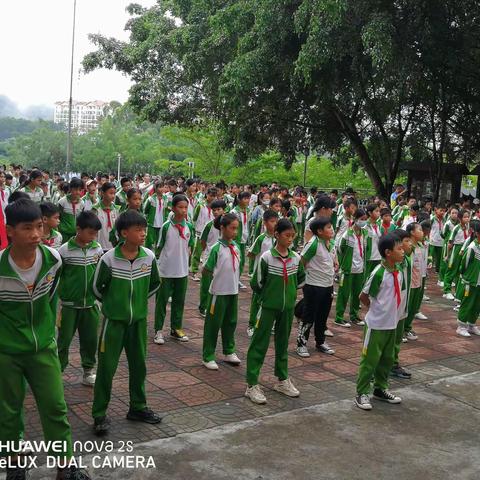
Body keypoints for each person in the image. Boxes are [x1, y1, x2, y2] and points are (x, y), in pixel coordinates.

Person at [0, 199, 88, 480]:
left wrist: (48, 333)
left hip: (43, 349)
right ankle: (14, 463)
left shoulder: (53, 260)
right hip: (6, 353)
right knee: (8, 410)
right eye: (28, 228)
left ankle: (65, 466)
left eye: (39, 226)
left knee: (54, 406)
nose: (36, 235)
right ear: (10, 230)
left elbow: (51, 299)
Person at [92, 210, 162, 435]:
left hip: (138, 323)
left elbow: (154, 284)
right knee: (106, 368)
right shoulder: (109, 258)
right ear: (124, 233)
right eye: (138, 230)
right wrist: (113, 306)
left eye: (144, 229)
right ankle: (99, 414)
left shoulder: (148, 257)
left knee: (139, 365)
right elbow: (97, 288)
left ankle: (138, 407)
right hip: (114, 324)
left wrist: (138, 305)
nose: (143, 233)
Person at [245, 219, 305, 404]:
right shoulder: (267, 258)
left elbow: (301, 280)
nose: (290, 239)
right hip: (268, 308)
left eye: (293, 236)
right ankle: (252, 384)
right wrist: (269, 298)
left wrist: (290, 296)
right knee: (259, 343)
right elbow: (257, 283)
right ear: (277, 235)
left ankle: (282, 379)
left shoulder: (295, 258)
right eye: (287, 235)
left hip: (287, 309)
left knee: (282, 343)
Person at [354, 233, 405, 410]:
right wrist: (376, 310)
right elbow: (363, 296)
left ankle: (380, 388)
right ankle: (361, 392)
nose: (403, 251)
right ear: (388, 252)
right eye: (399, 248)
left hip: (392, 323)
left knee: (387, 359)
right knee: (370, 359)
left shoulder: (398, 272)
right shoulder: (379, 273)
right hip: (376, 325)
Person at [57, 211, 103, 385]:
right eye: (90, 233)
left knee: (90, 340)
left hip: (91, 305)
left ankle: (88, 371)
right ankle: (57, 371)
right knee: (63, 340)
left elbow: (99, 273)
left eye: (95, 234)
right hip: (69, 305)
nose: (93, 237)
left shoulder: (96, 248)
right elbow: (58, 276)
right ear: (78, 229)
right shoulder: (64, 251)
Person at [201, 213, 242, 370]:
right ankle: (208, 355)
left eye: (236, 229)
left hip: (232, 291)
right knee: (213, 324)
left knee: (230, 322)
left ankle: (229, 350)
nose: (235, 232)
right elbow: (207, 269)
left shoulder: (236, 247)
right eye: (232, 228)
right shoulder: (216, 248)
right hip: (218, 293)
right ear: (222, 228)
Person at [154, 194, 195, 344]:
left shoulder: (189, 227)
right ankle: (158, 329)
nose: (183, 210)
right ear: (173, 208)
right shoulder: (166, 227)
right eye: (180, 207)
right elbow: (159, 247)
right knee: (162, 300)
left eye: (185, 207)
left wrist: (188, 265)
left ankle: (176, 327)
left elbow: (190, 246)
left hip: (182, 270)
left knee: (179, 300)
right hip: (166, 270)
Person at [296, 217, 336, 358]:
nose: (332, 229)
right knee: (309, 316)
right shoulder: (313, 244)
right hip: (314, 286)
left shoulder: (329, 243)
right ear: (319, 231)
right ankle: (301, 344)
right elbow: (302, 261)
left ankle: (320, 342)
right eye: (328, 227)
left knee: (323, 316)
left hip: (327, 285)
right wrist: (307, 276)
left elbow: (330, 259)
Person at [246, 209, 278, 337]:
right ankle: (252, 325)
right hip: (260, 275)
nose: (274, 224)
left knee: (271, 300)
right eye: (272, 221)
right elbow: (251, 254)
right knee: (256, 301)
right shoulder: (261, 238)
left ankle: (270, 324)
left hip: (274, 275)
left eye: (276, 221)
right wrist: (256, 268)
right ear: (265, 222)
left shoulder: (279, 238)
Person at [335, 209, 368, 328]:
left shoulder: (364, 234)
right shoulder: (347, 235)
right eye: (361, 219)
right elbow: (340, 249)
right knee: (344, 294)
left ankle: (354, 316)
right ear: (355, 219)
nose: (363, 222)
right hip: (347, 269)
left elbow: (364, 251)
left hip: (359, 269)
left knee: (357, 294)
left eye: (365, 219)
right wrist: (343, 264)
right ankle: (339, 317)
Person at [390, 229, 413, 379]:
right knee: (388, 337)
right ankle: (384, 364)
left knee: (398, 336)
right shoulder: (391, 265)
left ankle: (393, 363)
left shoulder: (407, 261)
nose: (410, 244)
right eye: (406, 241)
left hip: (403, 303)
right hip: (392, 307)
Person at [198, 199, 226, 317]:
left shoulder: (227, 225)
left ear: (224, 210)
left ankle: (216, 306)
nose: (216, 212)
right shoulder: (209, 225)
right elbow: (203, 241)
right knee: (206, 284)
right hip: (209, 256)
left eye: (218, 209)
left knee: (220, 283)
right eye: (214, 210)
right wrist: (206, 252)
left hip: (222, 258)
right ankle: (203, 306)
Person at [402, 222, 426, 341]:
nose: (422, 232)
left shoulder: (421, 246)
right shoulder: (408, 248)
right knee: (405, 308)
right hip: (409, 282)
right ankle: (400, 330)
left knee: (413, 307)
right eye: (420, 230)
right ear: (412, 232)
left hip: (418, 281)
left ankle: (407, 328)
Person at [456, 221, 480, 337]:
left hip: (479, 282)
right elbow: (464, 264)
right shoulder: (472, 247)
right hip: (470, 281)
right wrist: (466, 277)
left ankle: (471, 324)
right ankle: (461, 326)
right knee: (467, 303)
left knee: (477, 304)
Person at [191, 187, 217, 281]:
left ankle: (209, 271)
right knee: (197, 252)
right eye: (211, 195)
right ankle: (194, 271)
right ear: (207, 195)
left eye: (214, 196)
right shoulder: (200, 206)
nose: (212, 198)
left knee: (210, 251)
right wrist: (195, 229)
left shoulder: (216, 208)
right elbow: (194, 218)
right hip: (200, 231)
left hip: (212, 232)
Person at [443, 209, 470, 300]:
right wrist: (448, 255)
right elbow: (450, 243)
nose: (467, 219)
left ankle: (457, 292)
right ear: (460, 218)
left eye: (468, 217)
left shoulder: (468, 228)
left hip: (464, 249)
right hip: (456, 249)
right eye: (465, 217)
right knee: (452, 270)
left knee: (460, 271)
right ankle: (447, 290)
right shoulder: (456, 228)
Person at [92, 182, 120, 253]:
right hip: (98, 244)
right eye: (110, 193)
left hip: (113, 245)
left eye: (114, 193)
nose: (113, 196)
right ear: (102, 193)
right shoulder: (95, 209)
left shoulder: (116, 209)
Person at [232, 191, 252, 287]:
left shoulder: (248, 210)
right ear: (239, 199)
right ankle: (234, 279)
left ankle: (237, 278)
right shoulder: (234, 212)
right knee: (236, 260)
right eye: (245, 198)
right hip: (236, 239)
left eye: (248, 198)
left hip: (244, 238)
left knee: (243, 260)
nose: (247, 201)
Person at [58, 177, 85, 242]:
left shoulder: (82, 203)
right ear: (70, 189)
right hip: (63, 234)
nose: (77, 192)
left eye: (80, 190)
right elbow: (58, 217)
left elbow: (81, 218)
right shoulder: (62, 202)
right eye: (75, 189)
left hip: (75, 234)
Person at [143, 181, 168, 250]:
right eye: (160, 187)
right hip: (152, 223)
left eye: (163, 187)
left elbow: (165, 210)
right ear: (155, 188)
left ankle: (157, 256)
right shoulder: (151, 199)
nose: (162, 189)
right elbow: (145, 210)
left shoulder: (165, 198)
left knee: (159, 240)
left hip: (162, 222)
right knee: (149, 240)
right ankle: (148, 253)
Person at [363, 203, 382, 279]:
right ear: (370, 213)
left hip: (378, 256)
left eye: (379, 211)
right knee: (366, 277)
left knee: (375, 277)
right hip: (369, 257)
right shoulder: (365, 225)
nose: (379, 213)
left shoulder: (378, 224)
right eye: (376, 211)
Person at [429, 204, 446, 274]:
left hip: (441, 241)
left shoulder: (445, 220)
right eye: (441, 210)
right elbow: (428, 228)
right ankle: (428, 269)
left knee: (439, 257)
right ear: (436, 211)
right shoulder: (432, 219)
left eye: (444, 211)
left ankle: (437, 270)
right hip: (433, 240)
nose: (442, 212)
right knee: (430, 256)